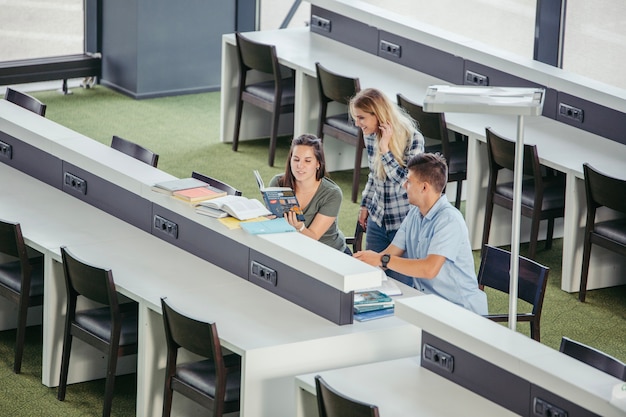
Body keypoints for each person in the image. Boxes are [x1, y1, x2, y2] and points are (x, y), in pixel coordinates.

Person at [354, 153, 488, 315]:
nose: (404, 185)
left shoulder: (449, 220)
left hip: (460, 311)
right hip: (429, 304)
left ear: (424, 187)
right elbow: (388, 254)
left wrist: (381, 259)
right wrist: (362, 263)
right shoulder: (414, 214)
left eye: (409, 181)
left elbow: (429, 269)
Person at [349, 88, 424, 285]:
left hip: (402, 223)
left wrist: (385, 151)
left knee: (401, 286)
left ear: (378, 114)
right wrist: (365, 204)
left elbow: (407, 184)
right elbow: (374, 174)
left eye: (361, 118)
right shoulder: (371, 134)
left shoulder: (413, 139)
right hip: (377, 218)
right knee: (371, 279)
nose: (357, 124)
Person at [270, 134, 350, 254]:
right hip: (293, 249)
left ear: (318, 163)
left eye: (307, 161)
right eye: (296, 159)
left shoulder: (332, 193)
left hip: (328, 253)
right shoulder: (278, 183)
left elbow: (313, 237)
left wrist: (299, 227)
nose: (300, 166)